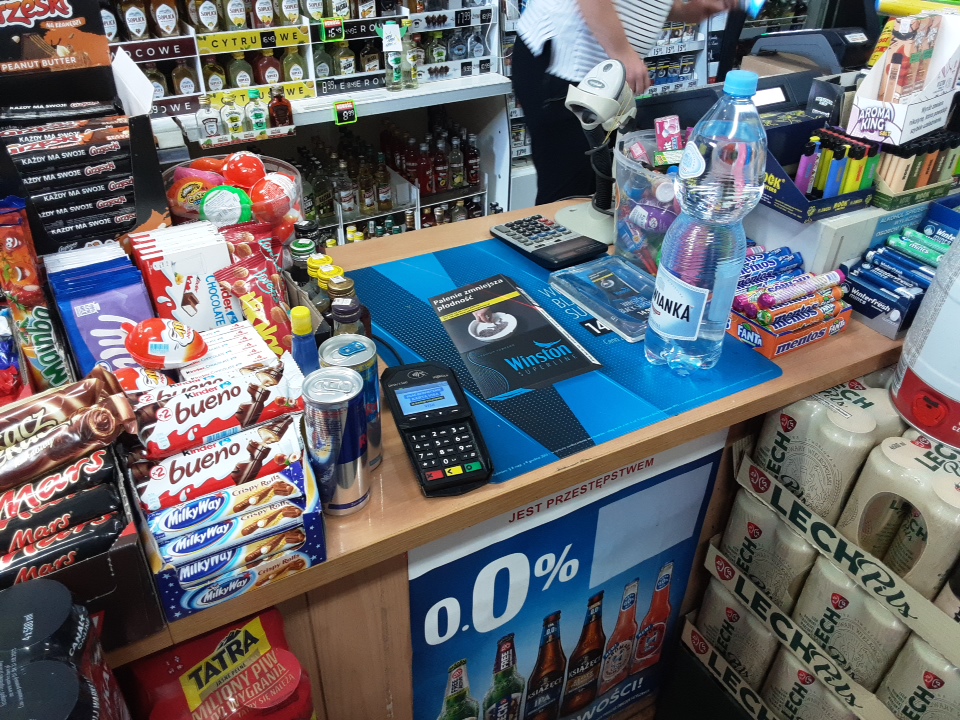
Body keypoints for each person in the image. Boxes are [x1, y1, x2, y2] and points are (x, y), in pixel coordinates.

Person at [513, 0, 737, 204]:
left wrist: (686, 10)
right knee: (568, 193)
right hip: (565, 66)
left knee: (594, 186)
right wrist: (623, 53)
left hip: (604, 77)